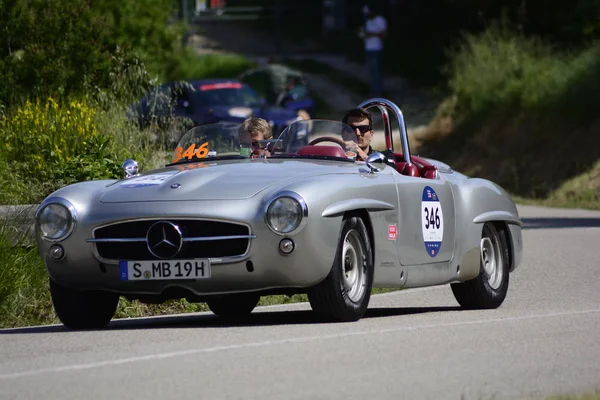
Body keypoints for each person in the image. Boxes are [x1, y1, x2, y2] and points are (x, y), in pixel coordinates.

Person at [358, 3, 387, 97]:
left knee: (376, 72)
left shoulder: (380, 20)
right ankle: (372, 92)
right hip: (367, 49)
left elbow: (383, 34)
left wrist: (371, 34)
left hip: (376, 49)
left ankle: (378, 93)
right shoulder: (367, 21)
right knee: (370, 72)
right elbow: (363, 33)